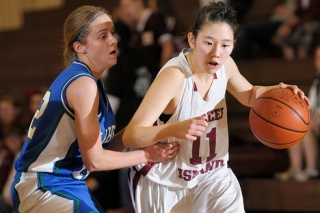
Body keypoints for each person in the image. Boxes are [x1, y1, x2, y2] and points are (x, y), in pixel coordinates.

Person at [122, 1, 309, 212]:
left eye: (225, 45)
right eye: (208, 43)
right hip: (168, 181)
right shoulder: (175, 77)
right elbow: (132, 135)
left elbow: (248, 94)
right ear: (192, 39)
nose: (216, 53)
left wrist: (277, 91)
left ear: (233, 44)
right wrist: (174, 129)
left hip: (213, 175)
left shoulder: (226, 65)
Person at [10, 5, 179, 213]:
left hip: (67, 182)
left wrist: (139, 129)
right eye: (102, 36)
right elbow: (95, 160)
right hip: (43, 184)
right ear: (80, 47)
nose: (114, 40)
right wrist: (147, 155)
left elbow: (104, 148)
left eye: (112, 33)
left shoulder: (91, 81)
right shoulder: (83, 84)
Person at [274, 45, 320, 181]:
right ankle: (295, 167)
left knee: (308, 126)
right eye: (318, 58)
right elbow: (310, 106)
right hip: (317, 121)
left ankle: (312, 169)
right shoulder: (317, 82)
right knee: (294, 124)